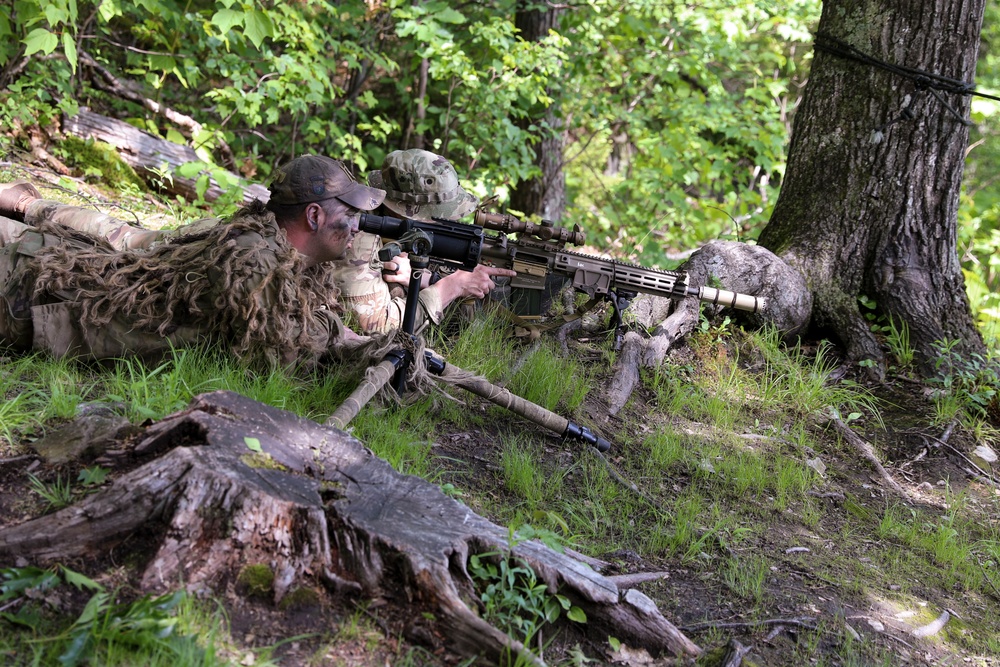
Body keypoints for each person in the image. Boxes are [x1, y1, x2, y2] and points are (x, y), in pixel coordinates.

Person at [0, 155, 382, 368]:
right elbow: (276, 356)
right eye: (349, 213)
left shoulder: (276, 251)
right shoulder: (253, 259)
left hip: (46, 280)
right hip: (29, 297)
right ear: (313, 217)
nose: (355, 227)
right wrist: (342, 339)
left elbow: (297, 324)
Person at [330, 148, 513, 333]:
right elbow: (375, 327)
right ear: (408, 211)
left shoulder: (405, 231)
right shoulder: (359, 237)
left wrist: (431, 279)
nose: (451, 220)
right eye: (439, 214)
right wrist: (449, 287)